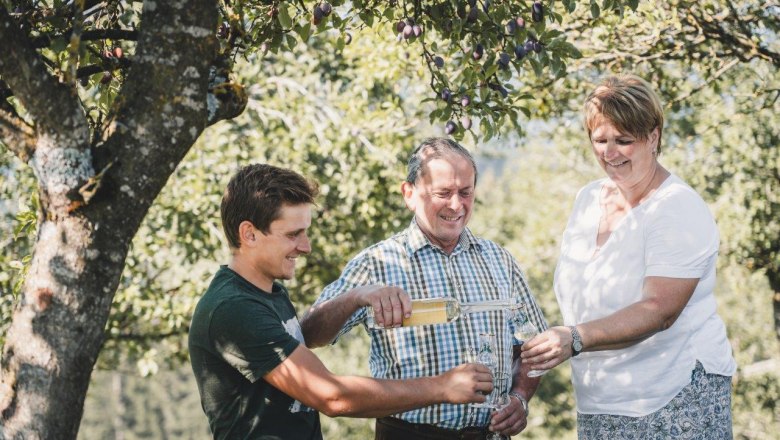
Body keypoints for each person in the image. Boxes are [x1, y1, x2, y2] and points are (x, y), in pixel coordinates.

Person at [188, 164, 494, 440]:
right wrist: (441, 387)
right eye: (294, 234)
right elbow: (331, 396)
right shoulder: (233, 308)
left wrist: (358, 297)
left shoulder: (270, 293)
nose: (305, 247)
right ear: (249, 234)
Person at [521, 74, 736, 439]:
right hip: (599, 398)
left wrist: (574, 338)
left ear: (653, 136)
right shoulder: (588, 199)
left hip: (674, 395)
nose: (609, 153)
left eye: (624, 140)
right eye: (600, 140)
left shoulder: (677, 208)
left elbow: (658, 310)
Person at [301, 138, 548, 439]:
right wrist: (356, 297)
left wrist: (520, 397)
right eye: (443, 193)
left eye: (465, 192)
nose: (456, 205)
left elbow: (534, 345)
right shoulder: (377, 263)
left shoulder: (499, 260)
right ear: (409, 194)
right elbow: (311, 334)